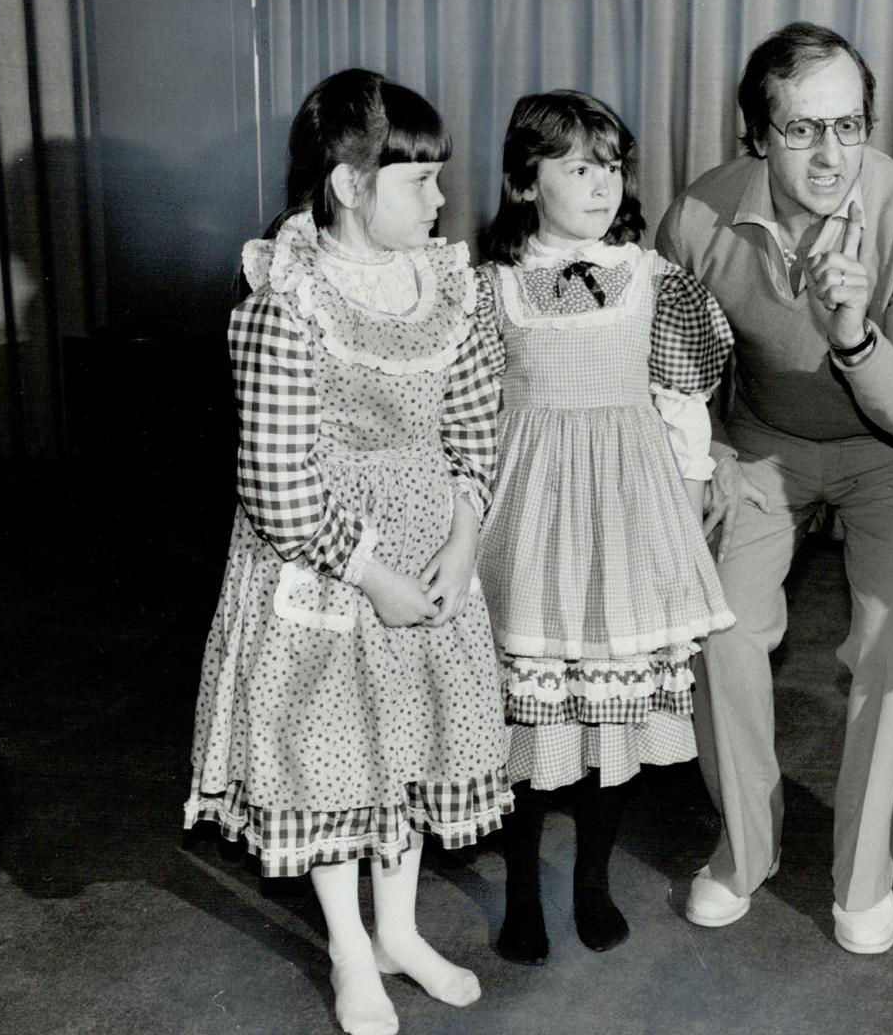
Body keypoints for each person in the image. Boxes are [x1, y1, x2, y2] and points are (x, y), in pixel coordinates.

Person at [183, 69, 512, 1035]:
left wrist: (462, 537)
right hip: (326, 563)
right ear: (347, 184)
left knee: (407, 742)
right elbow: (277, 485)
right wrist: (371, 575)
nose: (444, 201)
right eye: (421, 182)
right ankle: (347, 947)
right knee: (331, 756)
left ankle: (400, 931)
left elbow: (473, 420)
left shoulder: (447, 286)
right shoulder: (284, 300)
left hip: (428, 547)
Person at [656, 22, 893, 955]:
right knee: (721, 631)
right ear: (758, 134)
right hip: (760, 441)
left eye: (850, 124)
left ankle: (862, 876)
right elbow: (674, 372)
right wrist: (704, 454)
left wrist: (852, 334)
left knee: (890, 650)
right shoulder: (699, 218)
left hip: (885, 453)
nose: (831, 153)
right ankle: (743, 850)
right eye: (801, 130)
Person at [475, 90, 735, 966]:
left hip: (627, 508)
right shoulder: (491, 286)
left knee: (607, 714)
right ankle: (519, 888)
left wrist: (692, 487)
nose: (598, 185)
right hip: (527, 513)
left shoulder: (651, 279)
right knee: (527, 712)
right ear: (524, 180)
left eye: (610, 166)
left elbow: (681, 399)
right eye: (575, 166)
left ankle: (590, 879)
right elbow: (469, 411)